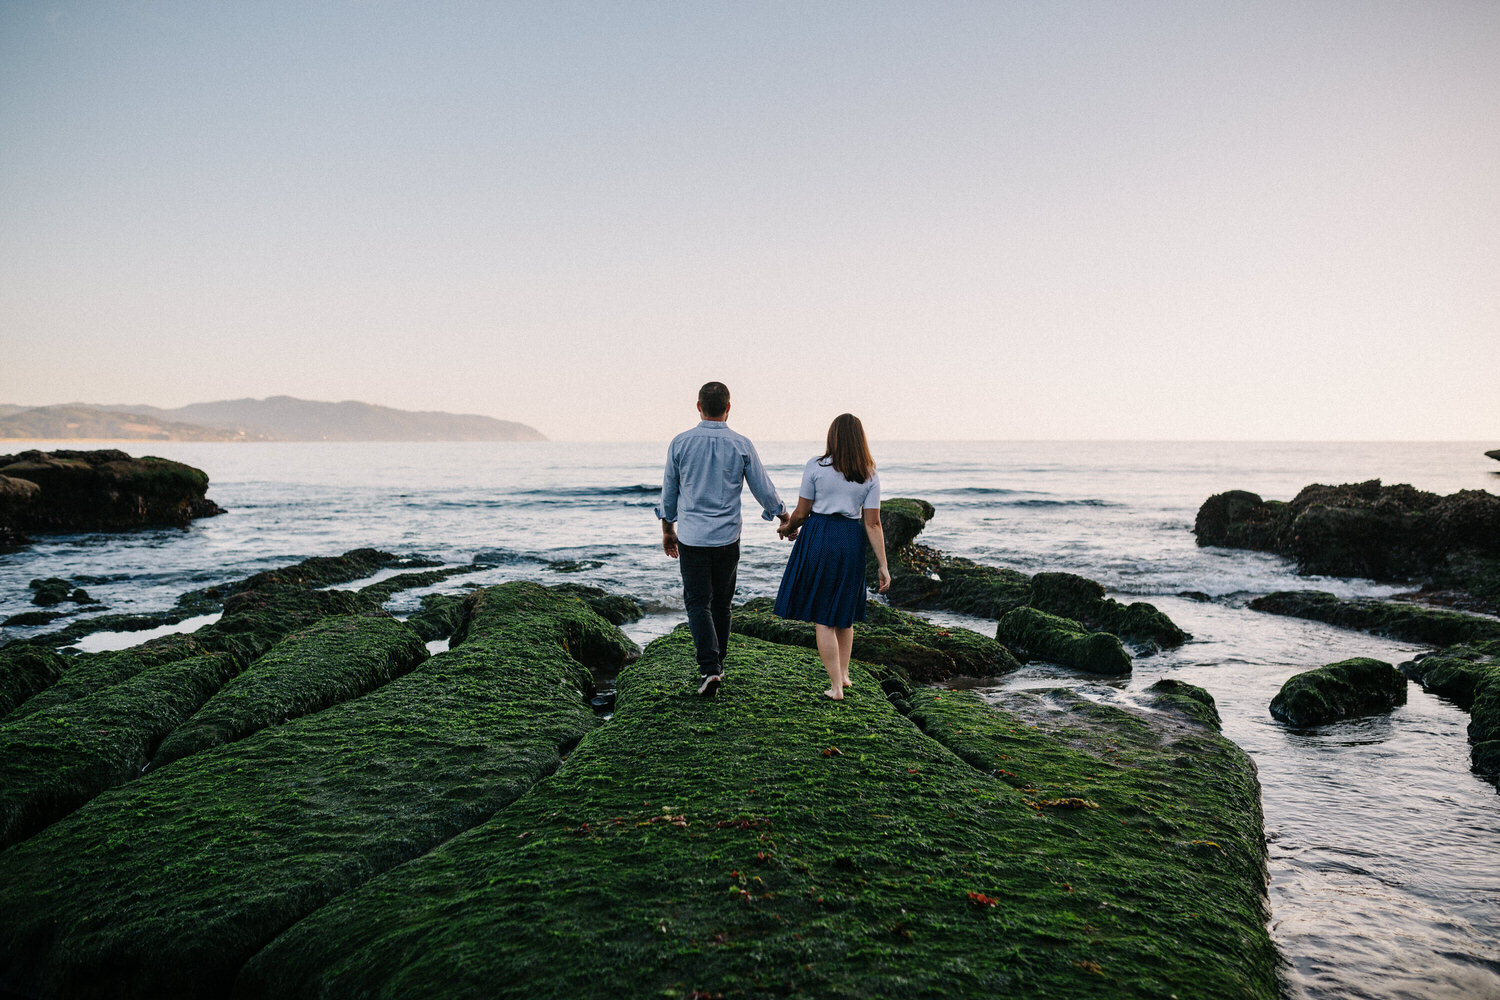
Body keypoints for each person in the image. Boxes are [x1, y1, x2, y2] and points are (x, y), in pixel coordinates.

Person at [656, 381, 789, 697]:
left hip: (692, 538)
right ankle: (718, 664)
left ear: (698, 407)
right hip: (728, 538)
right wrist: (783, 516)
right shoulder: (740, 444)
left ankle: (710, 668)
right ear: (728, 408)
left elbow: (669, 492)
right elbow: (763, 488)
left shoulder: (680, 443)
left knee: (697, 602)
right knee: (722, 602)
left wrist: (667, 530)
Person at [773, 413, 891, 700]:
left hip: (820, 535)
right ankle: (845, 676)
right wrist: (884, 566)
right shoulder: (869, 473)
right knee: (844, 614)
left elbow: (801, 513)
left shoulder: (816, 466)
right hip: (850, 538)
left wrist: (786, 527)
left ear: (832, 436)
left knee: (823, 617)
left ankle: (835, 686)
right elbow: (873, 523)